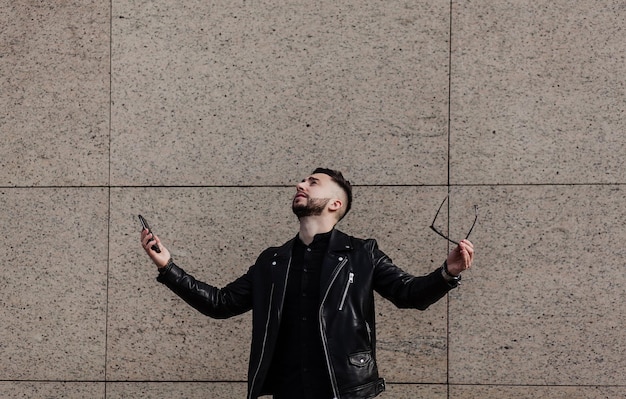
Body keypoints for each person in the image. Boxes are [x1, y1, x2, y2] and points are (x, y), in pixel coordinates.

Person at [141, 168, 474, 399]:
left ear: (335, 204)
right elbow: (221, 303)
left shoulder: (361, 253)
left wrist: (448, 272)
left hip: (342, 390)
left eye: (312, 182)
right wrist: (168, 267)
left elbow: (408, 294)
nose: (301, 185)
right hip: (287, 391)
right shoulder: (273, 261)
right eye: (303, 181)